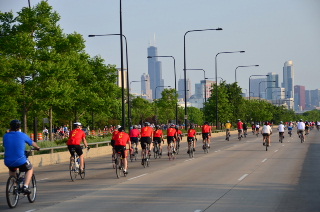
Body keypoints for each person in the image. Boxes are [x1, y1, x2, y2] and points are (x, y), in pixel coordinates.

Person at [3, 120, 40, 194]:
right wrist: (38, 147)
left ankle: (15, 186)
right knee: (30, 169)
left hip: (8, 161)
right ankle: (25, 186)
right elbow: (32, 143)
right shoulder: (22, 135)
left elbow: (5, 145)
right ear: (19, 127)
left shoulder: (5, 136)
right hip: (20, 160)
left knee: (12, 169)